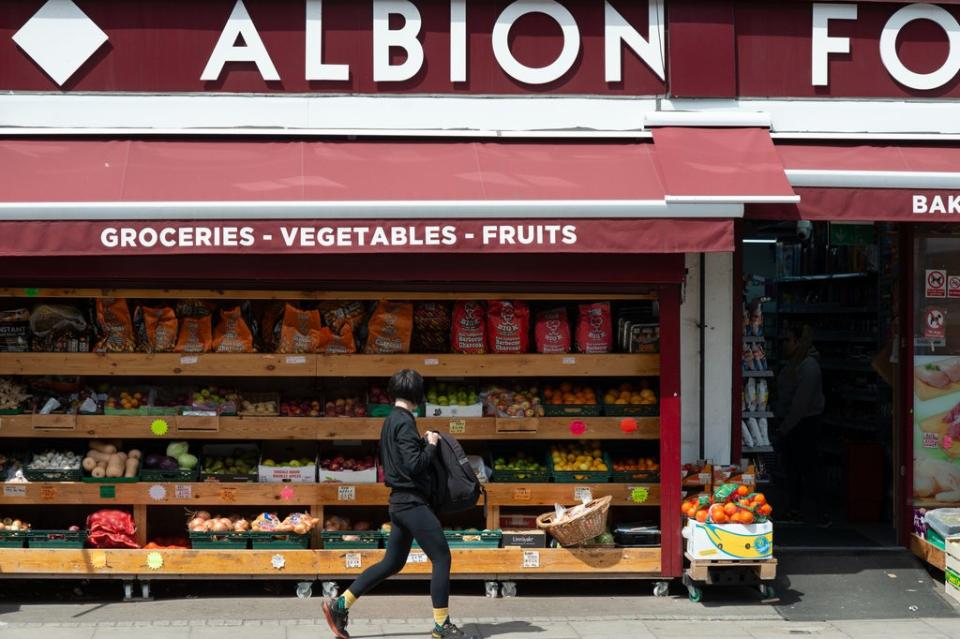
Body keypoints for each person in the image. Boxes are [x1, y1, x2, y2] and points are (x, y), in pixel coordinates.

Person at [322, 369, 465, 639]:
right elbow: (414, 465)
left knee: (392, 563)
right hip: (411, 503)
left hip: (398, 503)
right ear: (416, 394)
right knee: (442, 557)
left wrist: (420, 445)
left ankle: (340, 604)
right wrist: (431, 444)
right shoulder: (405, 422)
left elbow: (402, 460)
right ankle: (441, 625)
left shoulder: (390, 421)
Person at [774, 324, 827, 526]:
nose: (783, 345)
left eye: (787, 340)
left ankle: (820, 514)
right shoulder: (793, 363)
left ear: (798, 341)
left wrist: (784, 428)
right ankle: (795, 509)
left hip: (804, 425)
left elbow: (800, 404)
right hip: (793, 423)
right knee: (793, 469)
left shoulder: (808, 366)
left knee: (809, 469)